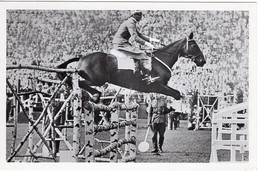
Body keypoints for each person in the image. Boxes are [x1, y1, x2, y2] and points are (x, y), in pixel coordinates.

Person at [112, 10, 160, 83]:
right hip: (121, 44)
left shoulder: (131, 22)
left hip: (122, 43)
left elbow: (139, 35)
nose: (140, 17)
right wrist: (147, 44)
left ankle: (138, 72)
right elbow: (135, 38)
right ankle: (146, 77)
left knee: (138, 54)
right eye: (138, 14)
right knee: (143, 55)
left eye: (140, 14)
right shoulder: (131, 22)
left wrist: (152, 40)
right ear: (133, 15)